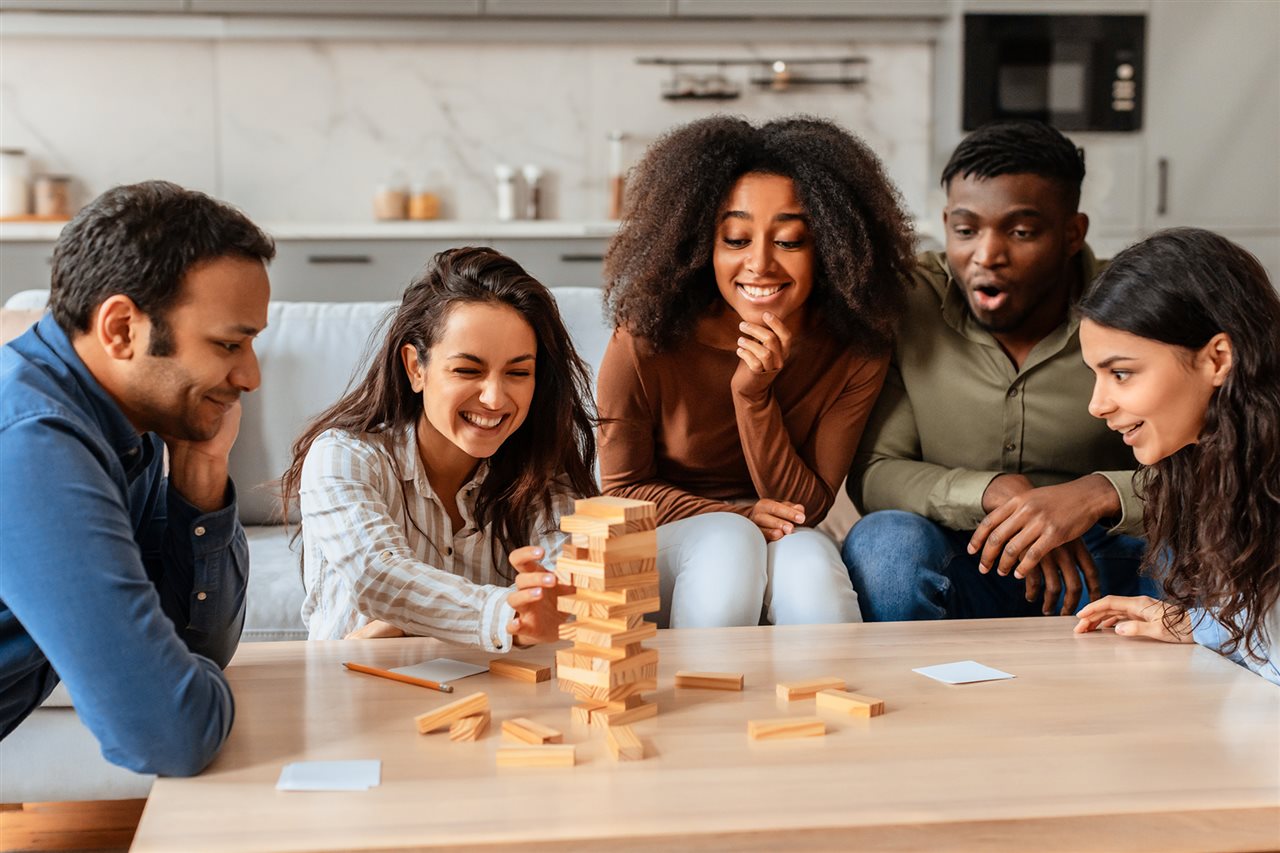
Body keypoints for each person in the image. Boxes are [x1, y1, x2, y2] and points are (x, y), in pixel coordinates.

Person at [598, 115, 916, 628]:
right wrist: (739, 516)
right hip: (668, 538)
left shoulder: (855, 348)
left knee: (813, 571)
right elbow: (620, 492)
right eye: (736, 240)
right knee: (728, 543)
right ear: (703, 246)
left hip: (784, 529)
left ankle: (828, 704)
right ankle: (706, 701)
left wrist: (754, 397)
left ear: (831, 248)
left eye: (790, 241)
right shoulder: (645, 339)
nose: (761, 264)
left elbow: (804, 508)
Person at [0, 181, 273, 775]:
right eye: (229, 343)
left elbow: (199, 648)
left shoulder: (131, 421)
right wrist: (171, 685)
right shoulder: (32, 443)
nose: (250, 375)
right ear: (121, 328)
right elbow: (166, 732)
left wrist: (203, 466)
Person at [842, 120, 1158, 621]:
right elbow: (878, 473)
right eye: (965, 231)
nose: (987, 256)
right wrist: (995, 494)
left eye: (1021, 232)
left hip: (1098, 560)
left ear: (1072, 233)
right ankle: (915, 696)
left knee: (1191, 551)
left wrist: (1094, 494)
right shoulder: (906, 301)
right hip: (960, 555)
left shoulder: (1136, 306)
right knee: (885, 547)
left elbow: (1207, 474)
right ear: (946, 222)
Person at [281, 247, 597, 649]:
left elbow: (566, 600)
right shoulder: (343, 457)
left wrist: (407, 625)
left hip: (488, 701)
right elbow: (380, 577)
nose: (495, 398)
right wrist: (508, 617)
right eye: (468, 370)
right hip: (356, 695)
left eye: (518, 372)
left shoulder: (542, 472)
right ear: (416, 368)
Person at [1073, 229, 1280, 686]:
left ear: (1217, 359)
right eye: (1097, 375)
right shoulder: (1212, 470)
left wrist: (1209, 627)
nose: (1097, 404)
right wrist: (1202, 624)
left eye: (1121, 373)